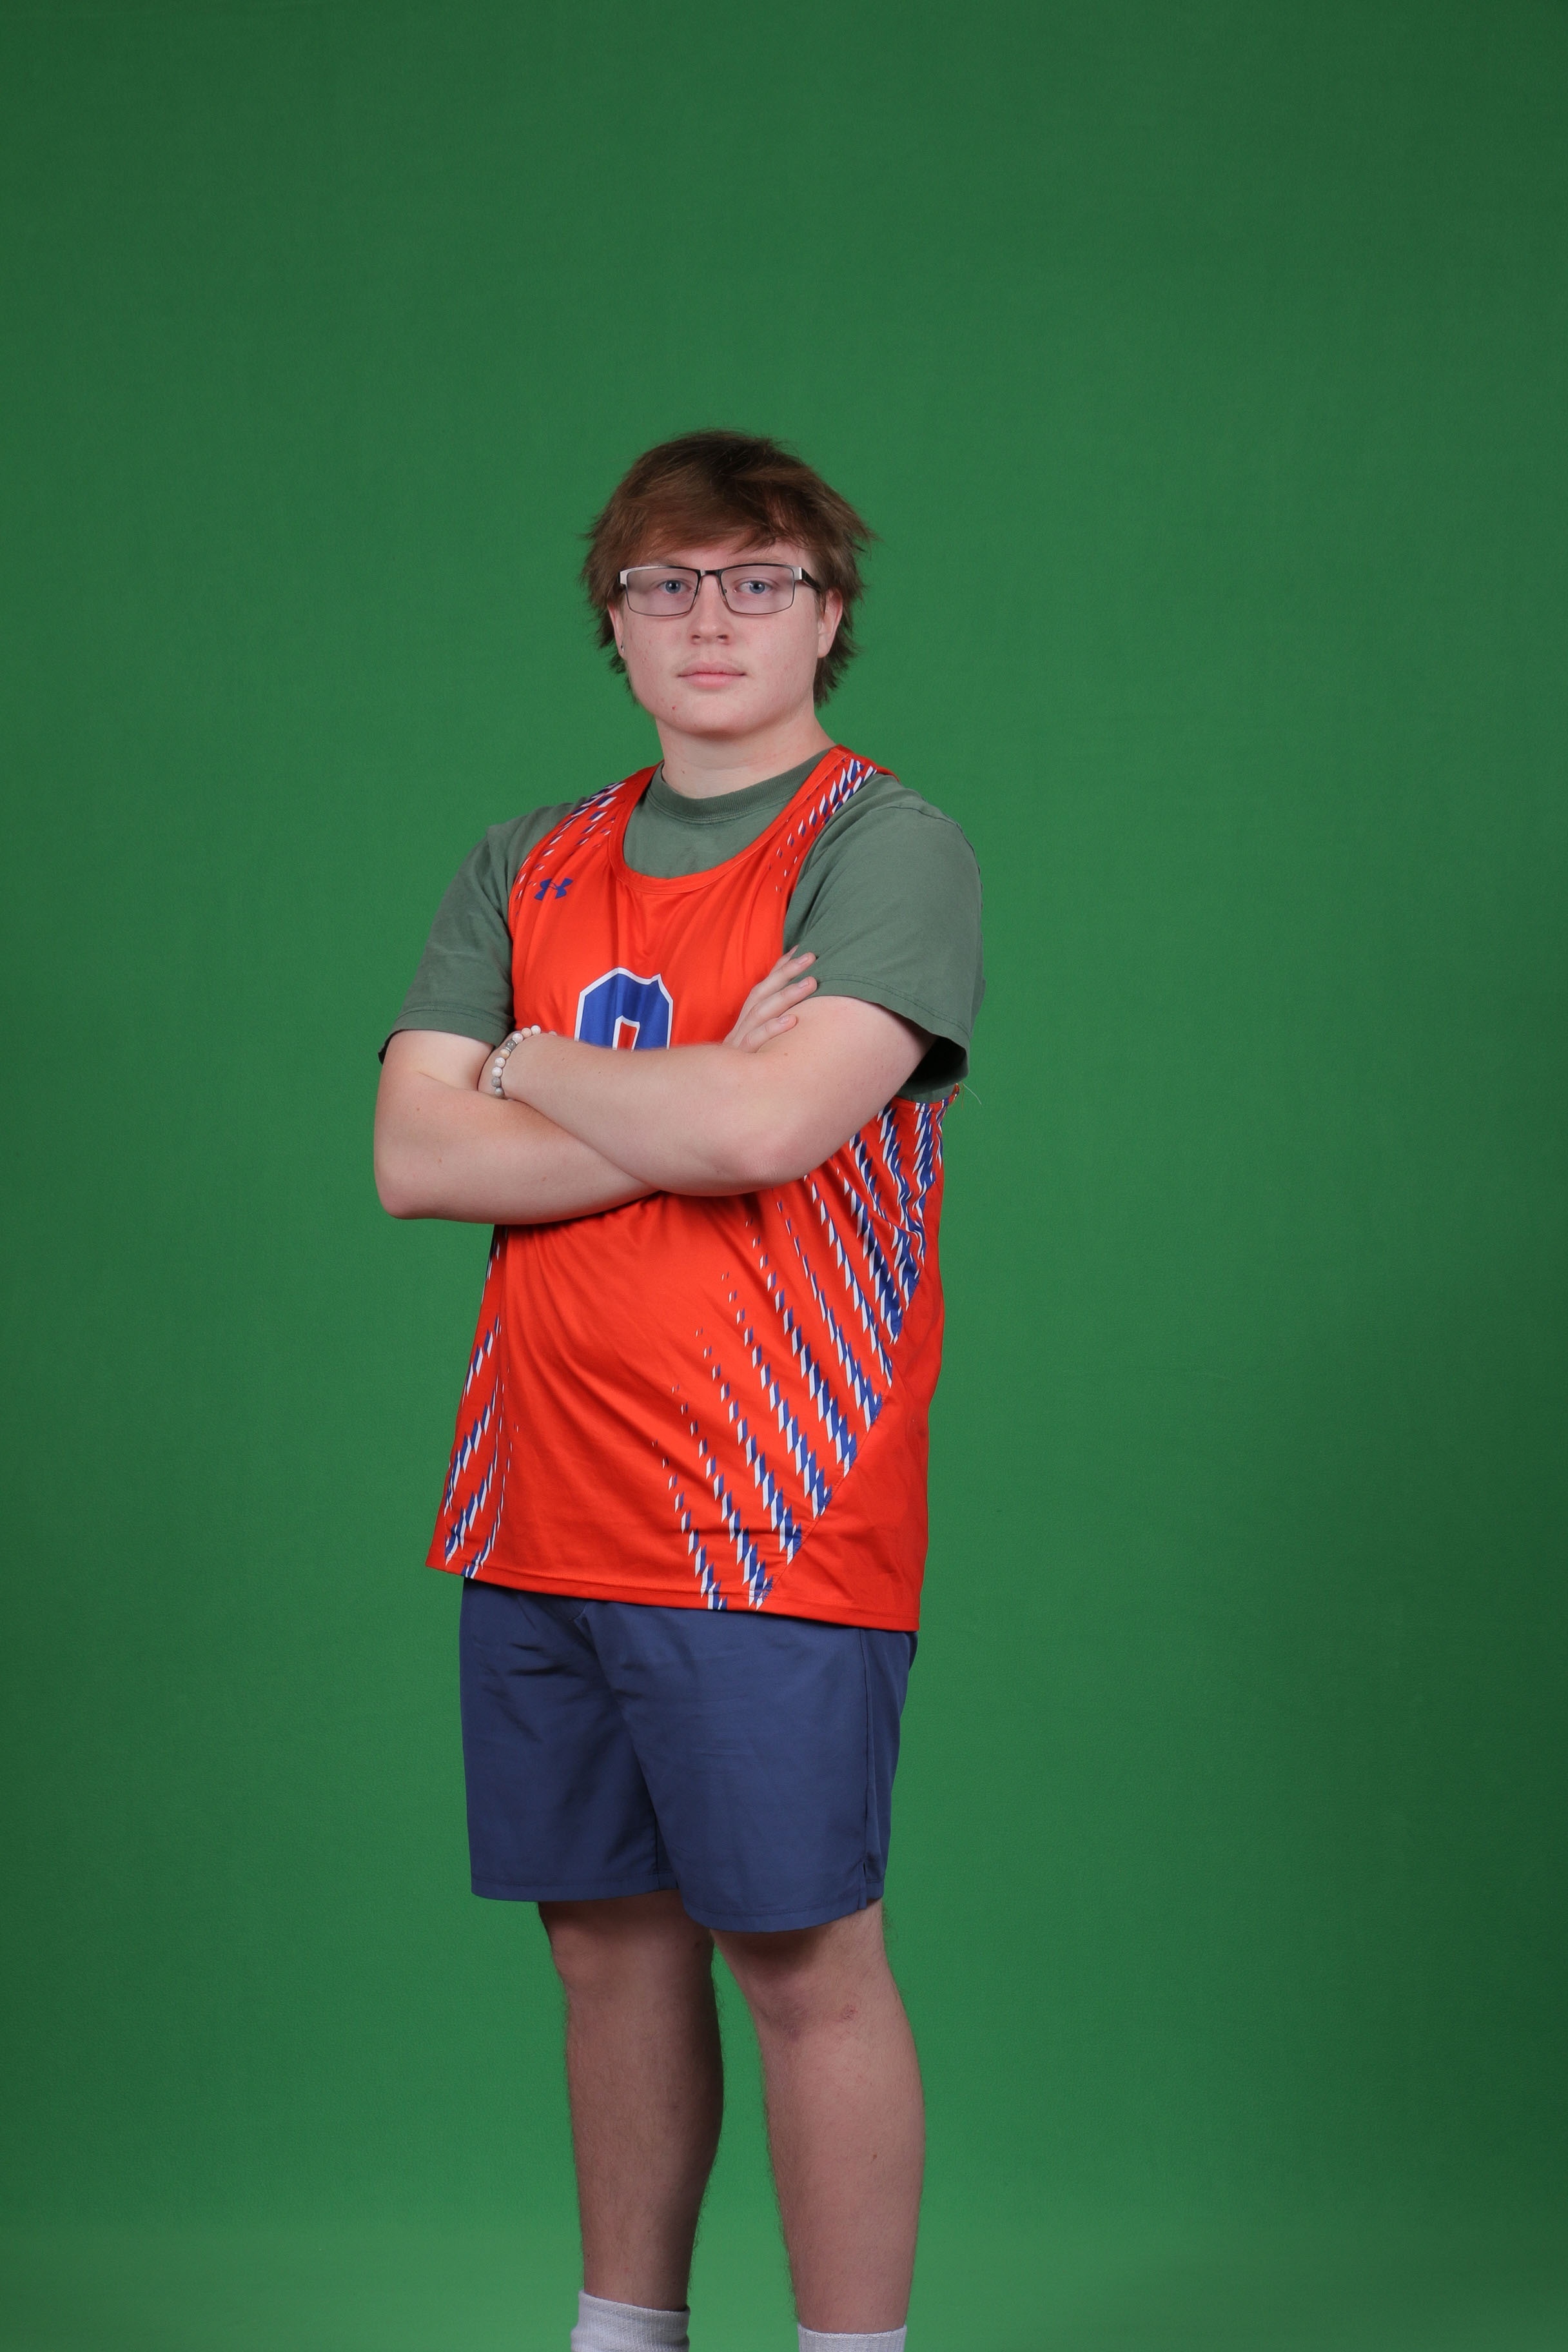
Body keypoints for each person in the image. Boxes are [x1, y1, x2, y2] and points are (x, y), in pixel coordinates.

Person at [375, 429, 984, 2352]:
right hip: (532, 1498)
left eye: (759, 580)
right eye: (667, 585)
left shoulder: (884, 847)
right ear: (617, 623)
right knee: (605, 1954)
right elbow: (411, 1156)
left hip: (763, 1513)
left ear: (828, 615)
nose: (710, 618)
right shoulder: (525, 860)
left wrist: (525, 1060)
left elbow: (768, 1130)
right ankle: (623, 2334)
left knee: (801, 1960)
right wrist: (688, 1077)